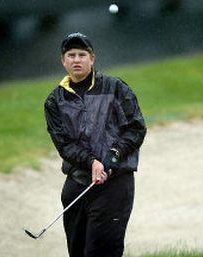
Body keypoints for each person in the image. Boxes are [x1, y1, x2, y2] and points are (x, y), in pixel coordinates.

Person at [44, 32, 147, 257]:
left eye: (82, 54)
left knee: (101, 252)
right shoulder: (55, 100)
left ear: (92, 58)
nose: (76, 59)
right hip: (77, 184)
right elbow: (64, 144)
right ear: (63, 61)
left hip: (114, 184)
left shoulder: (114, 87)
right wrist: (91, 162)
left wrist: (112, 156)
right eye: (71, 55)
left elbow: (136, 127)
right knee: (78, 252)